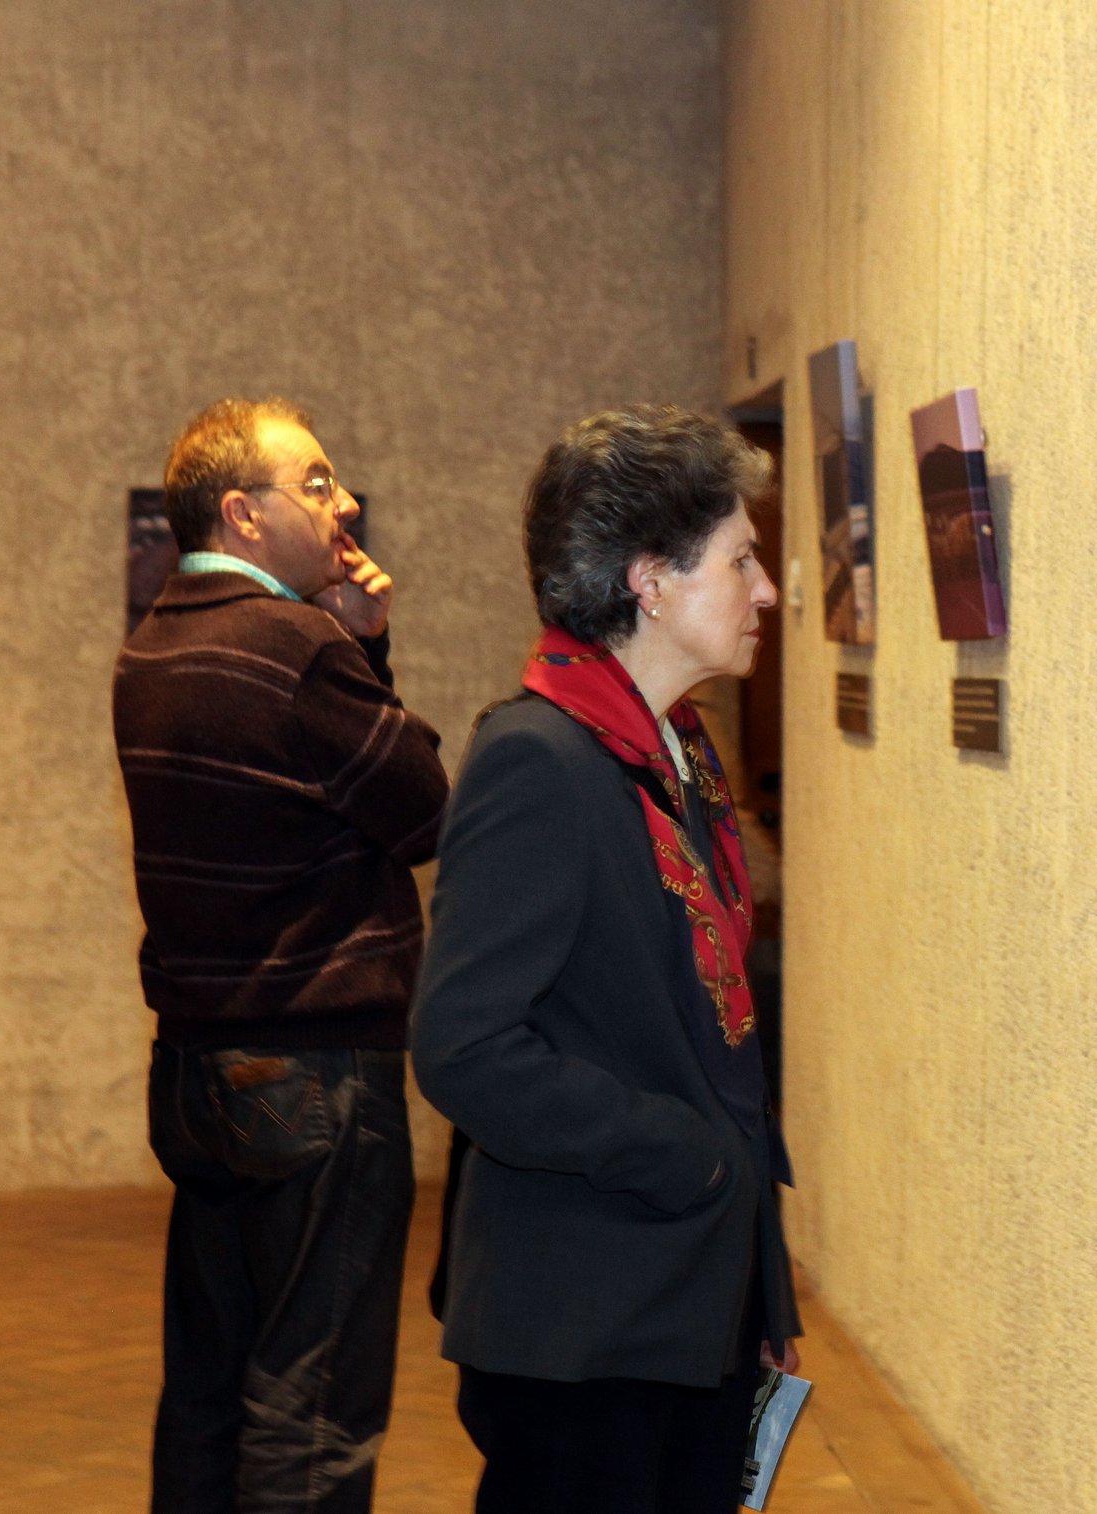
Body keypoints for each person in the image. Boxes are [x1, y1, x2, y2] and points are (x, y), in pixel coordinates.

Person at [412, 403, 800, 1514]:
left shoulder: (674, 749)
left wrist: (755, 1284)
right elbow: (466, 1044)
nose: (766, 588)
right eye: (740, 558)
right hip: (582, 1324)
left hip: (682, 1299)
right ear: (650, 580)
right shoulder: (538, 761)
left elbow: (711, 1047)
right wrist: (683, 1157)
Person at [112, 397, 449, 1513]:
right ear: (244, 515)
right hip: (315, 1074)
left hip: (198, 1075)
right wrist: (363, 641)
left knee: (208, 1388)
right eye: (315, 483)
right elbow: (421, 810)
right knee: (310, 1407)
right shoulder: (298, 647)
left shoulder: (152, 641)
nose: (344, 502)